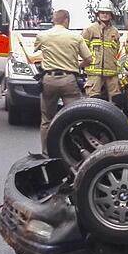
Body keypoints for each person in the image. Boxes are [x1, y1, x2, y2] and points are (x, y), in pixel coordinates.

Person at [34, 9, 91, 152]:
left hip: (49, 80)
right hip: (68, 80)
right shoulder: (75, 37)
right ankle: (72, 151)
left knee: (47, 119)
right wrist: (78, 65)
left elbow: (34, 52)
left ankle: (46, 152)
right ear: (66, 20)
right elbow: (89, 59)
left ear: (54, 20)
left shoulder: (43, 36)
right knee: (73, 117)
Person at [81, 0, 121, 100]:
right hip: (94, 71)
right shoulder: (90, 29)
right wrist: (82, 63)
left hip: (111, 71)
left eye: (107, 13)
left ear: (111, 15)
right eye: (102, 12)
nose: (105, 15)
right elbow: (81, 48)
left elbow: (117, 50)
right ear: (97, 14)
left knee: (117, 98)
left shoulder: (114, 31)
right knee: (94, 98)